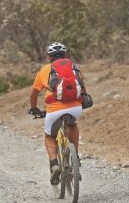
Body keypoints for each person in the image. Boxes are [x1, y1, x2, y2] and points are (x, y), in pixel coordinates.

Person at [28, 42, 89, 185]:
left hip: (54, 110)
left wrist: (34, 108)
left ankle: (54, 164)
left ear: (49, 57)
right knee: (72, 124)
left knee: (49, 136)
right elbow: (82, 87)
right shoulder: (73, 67)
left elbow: (33, 94)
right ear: (65, 55)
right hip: (75, 108)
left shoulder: (44, 70)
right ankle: (76, 158)